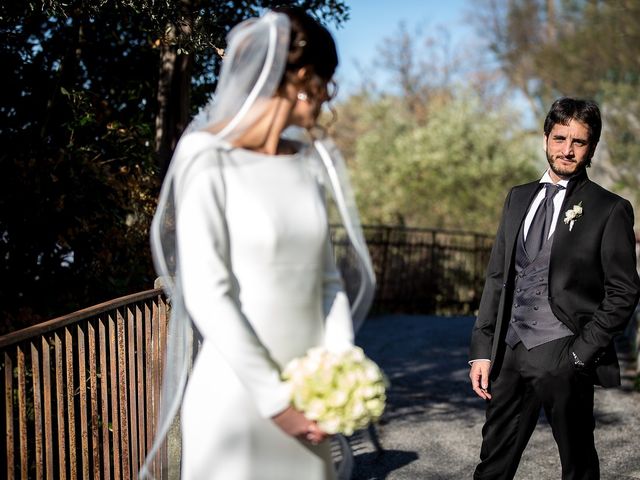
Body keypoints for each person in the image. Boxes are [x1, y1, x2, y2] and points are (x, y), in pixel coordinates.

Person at [140, 7, 375, 480]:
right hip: (238, 399)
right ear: (303, 77)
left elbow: (328, 282)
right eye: (326, 83)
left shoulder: (307, 163)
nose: (327, 98)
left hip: (310, 402)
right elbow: (207, 291)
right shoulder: (205, 155)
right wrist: (276, 403)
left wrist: (340, 365)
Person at [468, 97, 640, 480]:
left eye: (578, 142)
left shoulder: (609, 208)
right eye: (560, 138)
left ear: (591, 147)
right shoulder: (518, 197)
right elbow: (498, 277)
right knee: (492, 465)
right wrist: (482, 351)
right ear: (546, 137)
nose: (567, 150)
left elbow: (624, 291)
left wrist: (580, 355)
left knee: (577, 467)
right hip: (508, 355)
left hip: (565, 354)